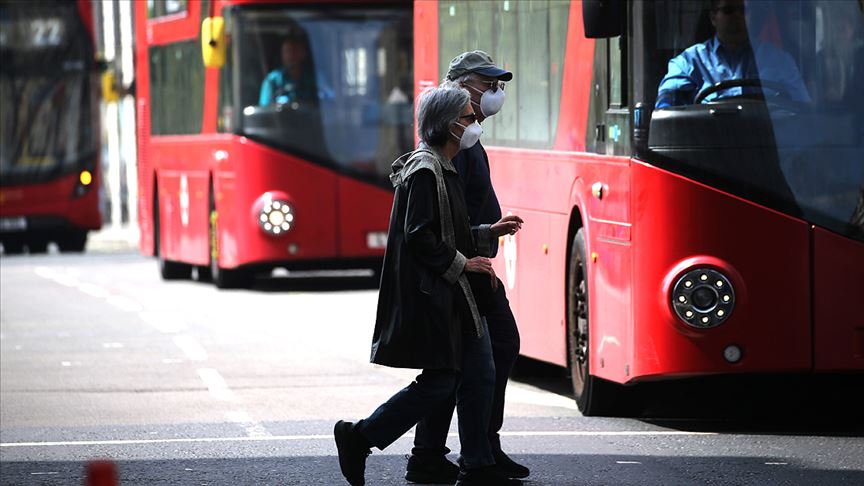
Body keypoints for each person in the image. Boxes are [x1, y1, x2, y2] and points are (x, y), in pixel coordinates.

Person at [334, 83, 525, 486]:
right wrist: (463, 262)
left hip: (454, 294)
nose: (474, 125)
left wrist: (489, 231)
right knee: (444, 380)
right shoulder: (426, 170)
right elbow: (420, 235)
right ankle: (362, 436)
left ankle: (469, 462)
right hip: (436, 295)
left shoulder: (444, 166)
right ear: (446, 125)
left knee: (471, 374)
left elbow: (448, 229)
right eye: (467, 119)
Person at [403, 50, 528, 484]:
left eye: (497, 84)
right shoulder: (450, 143)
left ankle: (438, 454)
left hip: (472, 262)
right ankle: (476, 454)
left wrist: (487, 232)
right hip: (463, 269)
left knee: (456, 364)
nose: (494, 92)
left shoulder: (470, 137)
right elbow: (432, 222)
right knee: (479, 357)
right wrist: (470, 250)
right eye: (485, 82)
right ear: (459, 85)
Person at [656, 0, 810, 108]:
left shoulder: (779, 61)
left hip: (767, 149)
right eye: (728, 10)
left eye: (744, 10)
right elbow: (666, 109)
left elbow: (802, 109)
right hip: (705, 149)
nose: (738, 17)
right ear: (713, 17)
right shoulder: (689, 61)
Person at [258, 34, 317, 106]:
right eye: (287, 51)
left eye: (294, 51)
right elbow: (265, 109)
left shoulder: (314, 80)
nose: (290, 55)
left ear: (303, 53)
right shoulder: (272, 80)